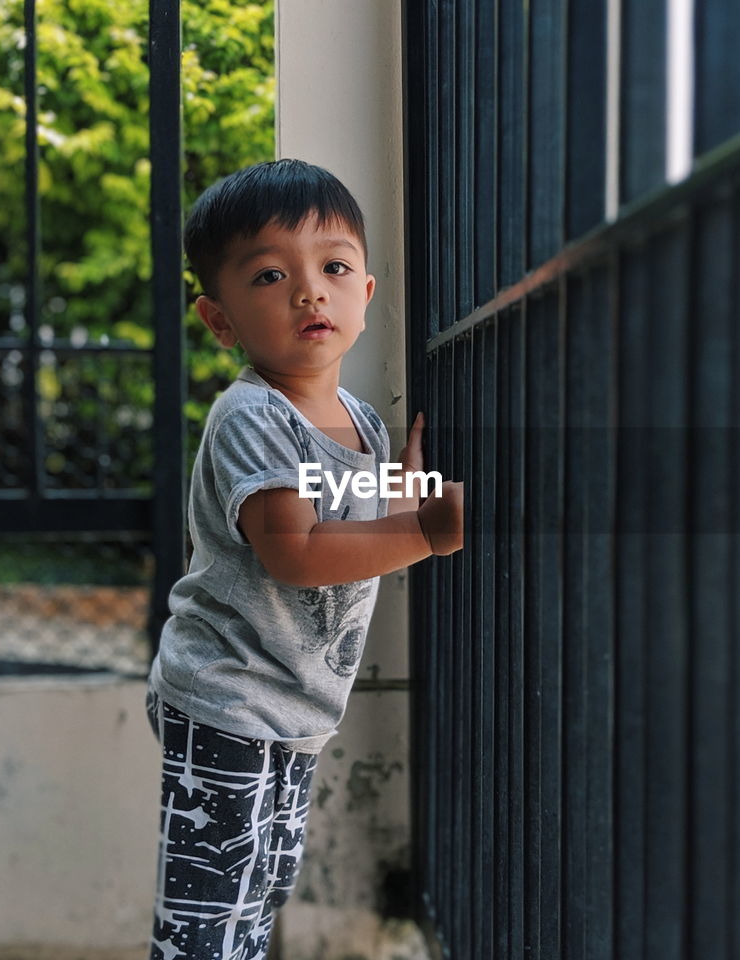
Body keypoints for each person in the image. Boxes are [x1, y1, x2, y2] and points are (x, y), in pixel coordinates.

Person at [144, 158, 463, 960]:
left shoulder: (360, 418)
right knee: (208, 913)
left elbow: (365, 526)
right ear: (220, 321)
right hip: (226, 696)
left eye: (333, 267)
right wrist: (426, 530)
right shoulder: (253, 415)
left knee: (264, 887)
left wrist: (411, 490)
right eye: (271, 275)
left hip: (294, 708)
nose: (309, 291)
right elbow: (297, 551)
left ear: (366, 292)